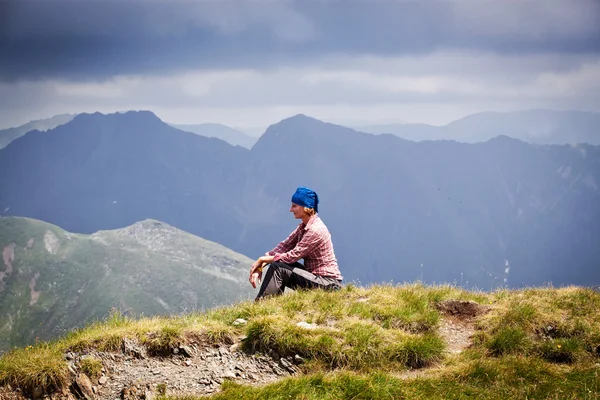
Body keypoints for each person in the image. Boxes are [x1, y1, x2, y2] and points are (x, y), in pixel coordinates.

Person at [249, 186, 343, 301]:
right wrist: (260, 266)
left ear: (306, 208)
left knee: (278, 268)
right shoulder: (303, 227)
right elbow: (284, 246)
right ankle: (270, 309)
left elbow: (291, 257)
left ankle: (261, 309)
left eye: (294, 206)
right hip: (315, 277)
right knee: (278, 265)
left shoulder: (315, 230)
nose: (290, 209)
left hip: (327, 284)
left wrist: (262, 259)